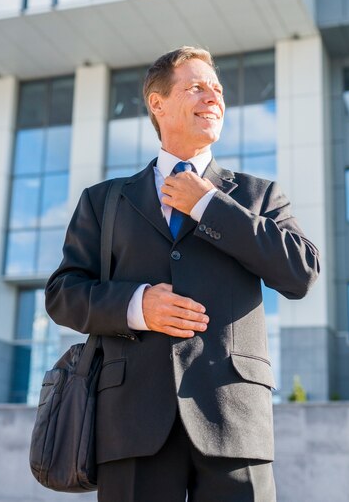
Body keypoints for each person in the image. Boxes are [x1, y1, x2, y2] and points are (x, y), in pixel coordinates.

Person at [45, 46, 320, 502]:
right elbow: (62, 294)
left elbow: (301, 273)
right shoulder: (104, 200)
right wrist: (137, 306)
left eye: (217, 89)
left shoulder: (259, 195)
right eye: (195, 87)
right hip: (130, 423)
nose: (212, 97)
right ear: (158, 104)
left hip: (235, 420)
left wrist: (209, 204)